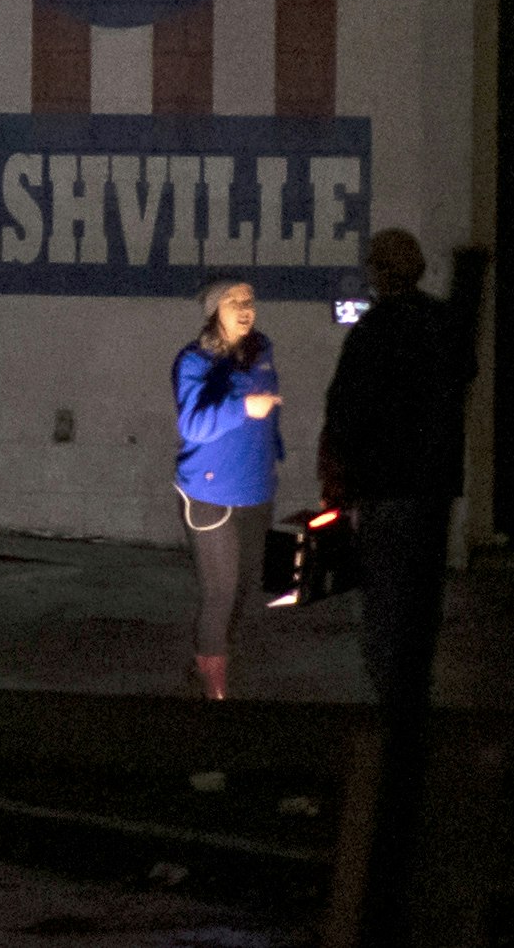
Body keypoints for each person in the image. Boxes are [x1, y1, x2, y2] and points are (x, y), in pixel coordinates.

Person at [318, 226, 470, 713]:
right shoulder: (444, 322)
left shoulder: (373, 332)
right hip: (434, 484)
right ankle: (415, 697)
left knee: (384, 599)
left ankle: (392, 705)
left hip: (386, 485)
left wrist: (338, 475)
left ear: (380, 271)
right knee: (422, 600)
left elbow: (344, 410)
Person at [172, 276, 283, 697]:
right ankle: (213, 687)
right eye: (232, 301)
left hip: (256, 492)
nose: (244, 307)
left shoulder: (261, 351)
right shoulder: (195, 361)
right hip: (208, 494)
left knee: (244, 588)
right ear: (214, 311)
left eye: (249, 300)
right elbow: (193, 425)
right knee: (220, 591)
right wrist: (243, 409)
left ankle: (209, 653)